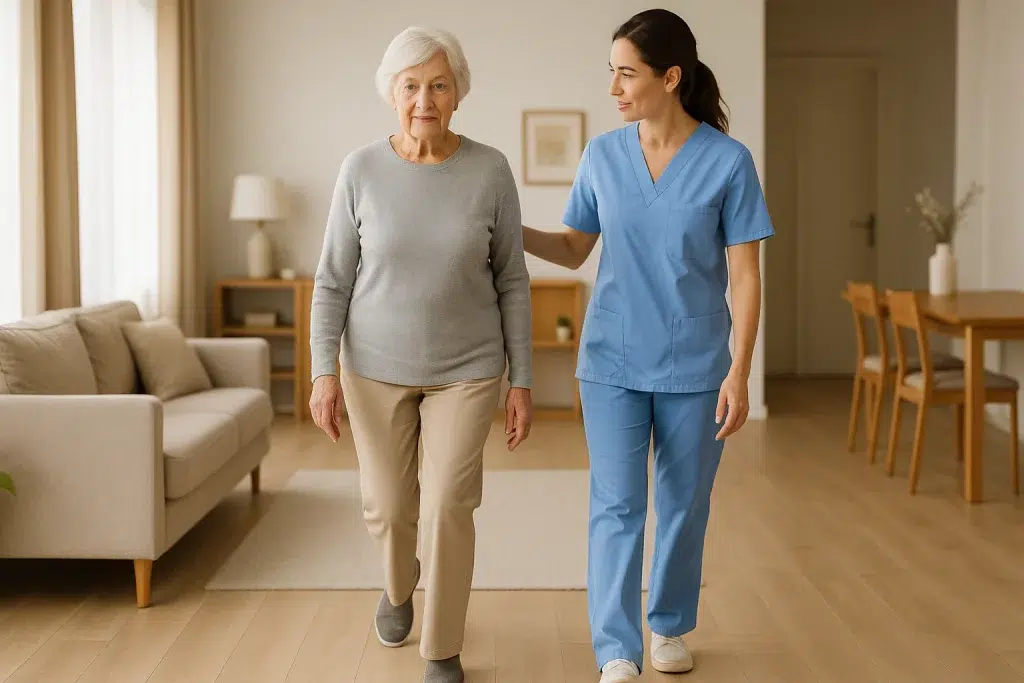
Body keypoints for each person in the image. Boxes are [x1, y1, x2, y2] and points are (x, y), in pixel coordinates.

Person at [522, 9, 773, 682]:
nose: (614, 88)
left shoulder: (728, 161)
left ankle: (666, 626)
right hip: (611, 359)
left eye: (626, 74)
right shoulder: (604, 155)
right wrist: (511, 230)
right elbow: (575, 247)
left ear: (670, 77)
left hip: (697, 364)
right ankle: (616, 647)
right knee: (616, 502)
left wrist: (740, 371)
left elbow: (746, 276)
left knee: (685, 501)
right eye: (611, 73)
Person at [308, 26, 533, 683]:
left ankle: (442, 647)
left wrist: (522, 377)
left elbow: (512, 278)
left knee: (447, 504)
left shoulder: (489, 169)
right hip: (371, 368)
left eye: (438, 84)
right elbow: (331, 281)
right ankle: (399, 584)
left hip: (468, 368)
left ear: (459, 92)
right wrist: (323, 371)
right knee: (389, 507)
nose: (424, 99)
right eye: (411, 86)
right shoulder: (360, 171)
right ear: (391, 94)